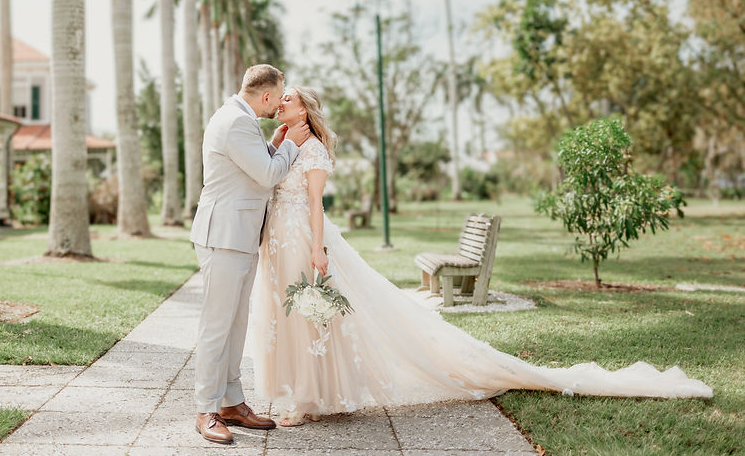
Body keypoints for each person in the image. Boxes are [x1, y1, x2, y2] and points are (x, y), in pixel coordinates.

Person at [250, 86, 712, 427]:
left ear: (305, 110)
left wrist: (317, 248)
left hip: (300, 237)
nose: (280, 104)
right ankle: (301, 390)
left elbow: (315, 205)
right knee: (290, 315)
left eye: (287, 100)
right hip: (277, 239)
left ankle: (305, 397)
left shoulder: (311, 150)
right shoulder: (286, 142)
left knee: (309, 315)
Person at [190, 64, 312, 444]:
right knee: (217, 326)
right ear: (265, 95)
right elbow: (267, 175)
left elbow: (251, 168)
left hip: (240, 235)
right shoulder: (236, 122)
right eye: (278, 97)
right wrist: (292, 142)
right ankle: (206, 410)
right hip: (224, 236)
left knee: (235, 323)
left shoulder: (240, 119)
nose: (278, 105)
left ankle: (231, 403)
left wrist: (275, 145)